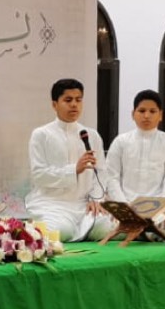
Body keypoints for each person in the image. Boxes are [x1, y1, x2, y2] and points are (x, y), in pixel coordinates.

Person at [24, 78, 114, 242]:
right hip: (52, 204)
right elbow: (39, 175)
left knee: (105, 227)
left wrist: (95, 199)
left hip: (83, 204)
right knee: (61, 231)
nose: (74, 105)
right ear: (55, 104)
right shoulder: (41, 134)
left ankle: (83, 227)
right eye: (68, 100)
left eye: (78, 100)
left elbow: (101, 172)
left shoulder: (91, 135)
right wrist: (74, 170)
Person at [105, 89, 165, 232]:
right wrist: (123, 207)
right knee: (102, 228)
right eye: (141, 111)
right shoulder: (120, 142)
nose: (146, 116)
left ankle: (142, 231)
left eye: (152, 111)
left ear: (160, 115)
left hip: (158, 207)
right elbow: (111, 177)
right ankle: (140, 231)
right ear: (133, 114)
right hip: (126, 205)